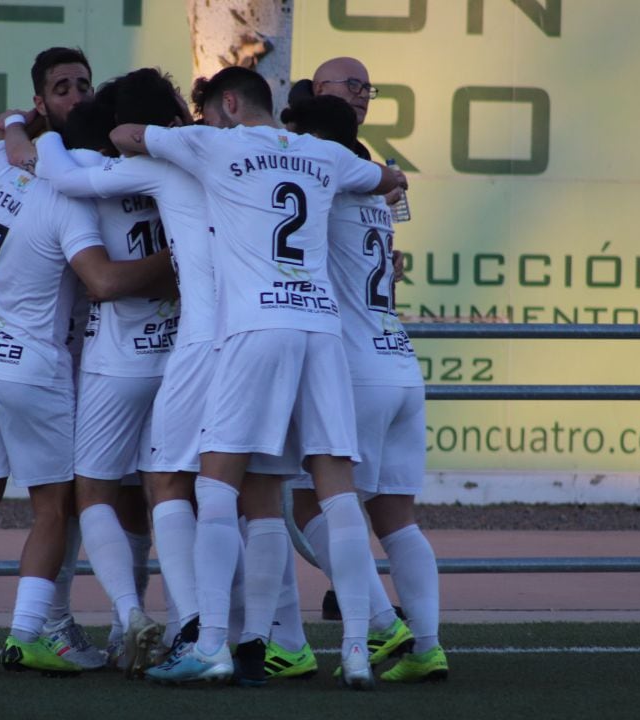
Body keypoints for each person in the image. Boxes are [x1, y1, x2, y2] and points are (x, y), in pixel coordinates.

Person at [110, 66, 406, 690]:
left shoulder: (213, 142)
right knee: (337, 489)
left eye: (212, 110)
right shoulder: (322, 152)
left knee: (216, 486)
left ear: (229, 102)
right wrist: (386, 185)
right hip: (321, 329)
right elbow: (388, 177)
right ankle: (355, 649)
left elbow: (127, 134)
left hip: (256, 327)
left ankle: (212, 643)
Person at [0, 49, 170, 678]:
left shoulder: (5, 163)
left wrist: (18, 122)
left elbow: (1, 143)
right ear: (45, 104)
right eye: (62, 89)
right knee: (59, 505)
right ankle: (34, 632)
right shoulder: (72, 191)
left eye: (83, 86)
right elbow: (99, 279)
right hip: (38, 366)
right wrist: (182, 267)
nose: (77, 96)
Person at [278, 93, 447, 683]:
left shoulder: (323, 184)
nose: (288, 146)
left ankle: (381, 624)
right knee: (397, 518)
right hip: (398, 362)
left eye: (296, 133)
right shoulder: (379, 191)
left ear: (317, 140)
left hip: (350, 370)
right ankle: (427, 645)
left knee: (309, 503)